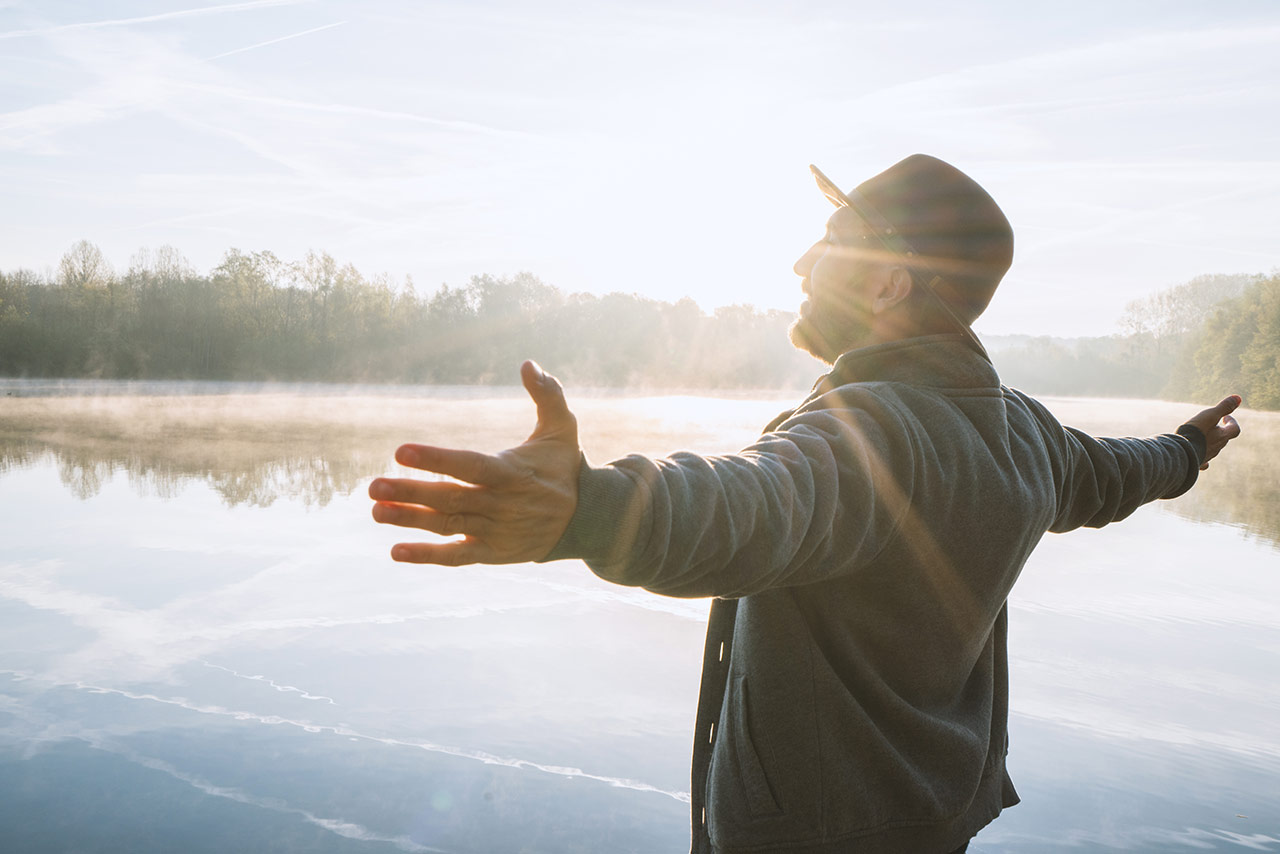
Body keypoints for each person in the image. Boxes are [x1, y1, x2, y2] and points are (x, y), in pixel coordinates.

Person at [368, 154, 1242, 854]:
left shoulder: (875, 433)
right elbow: (1122, 472)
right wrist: (1191, 448)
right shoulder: (1027, 436)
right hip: (938, 819)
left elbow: (757, 503)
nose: (800, 260)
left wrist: (590, 511)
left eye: (830, 239)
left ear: (890, 282)